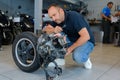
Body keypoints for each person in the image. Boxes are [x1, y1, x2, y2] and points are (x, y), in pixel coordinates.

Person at [43, 3, 95, 69]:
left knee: (78, 57)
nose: (53, 19)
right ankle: (60, 59)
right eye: (51, 17)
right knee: (56, 34)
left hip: (87, 41)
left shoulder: (74, 17)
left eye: (54, 15)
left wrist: (70, 48)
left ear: (61, 11)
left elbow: (86, 36)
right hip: (71, 40)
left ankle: (85, 58)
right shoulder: (56, 20)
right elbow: (45, 29)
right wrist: (53, 29)